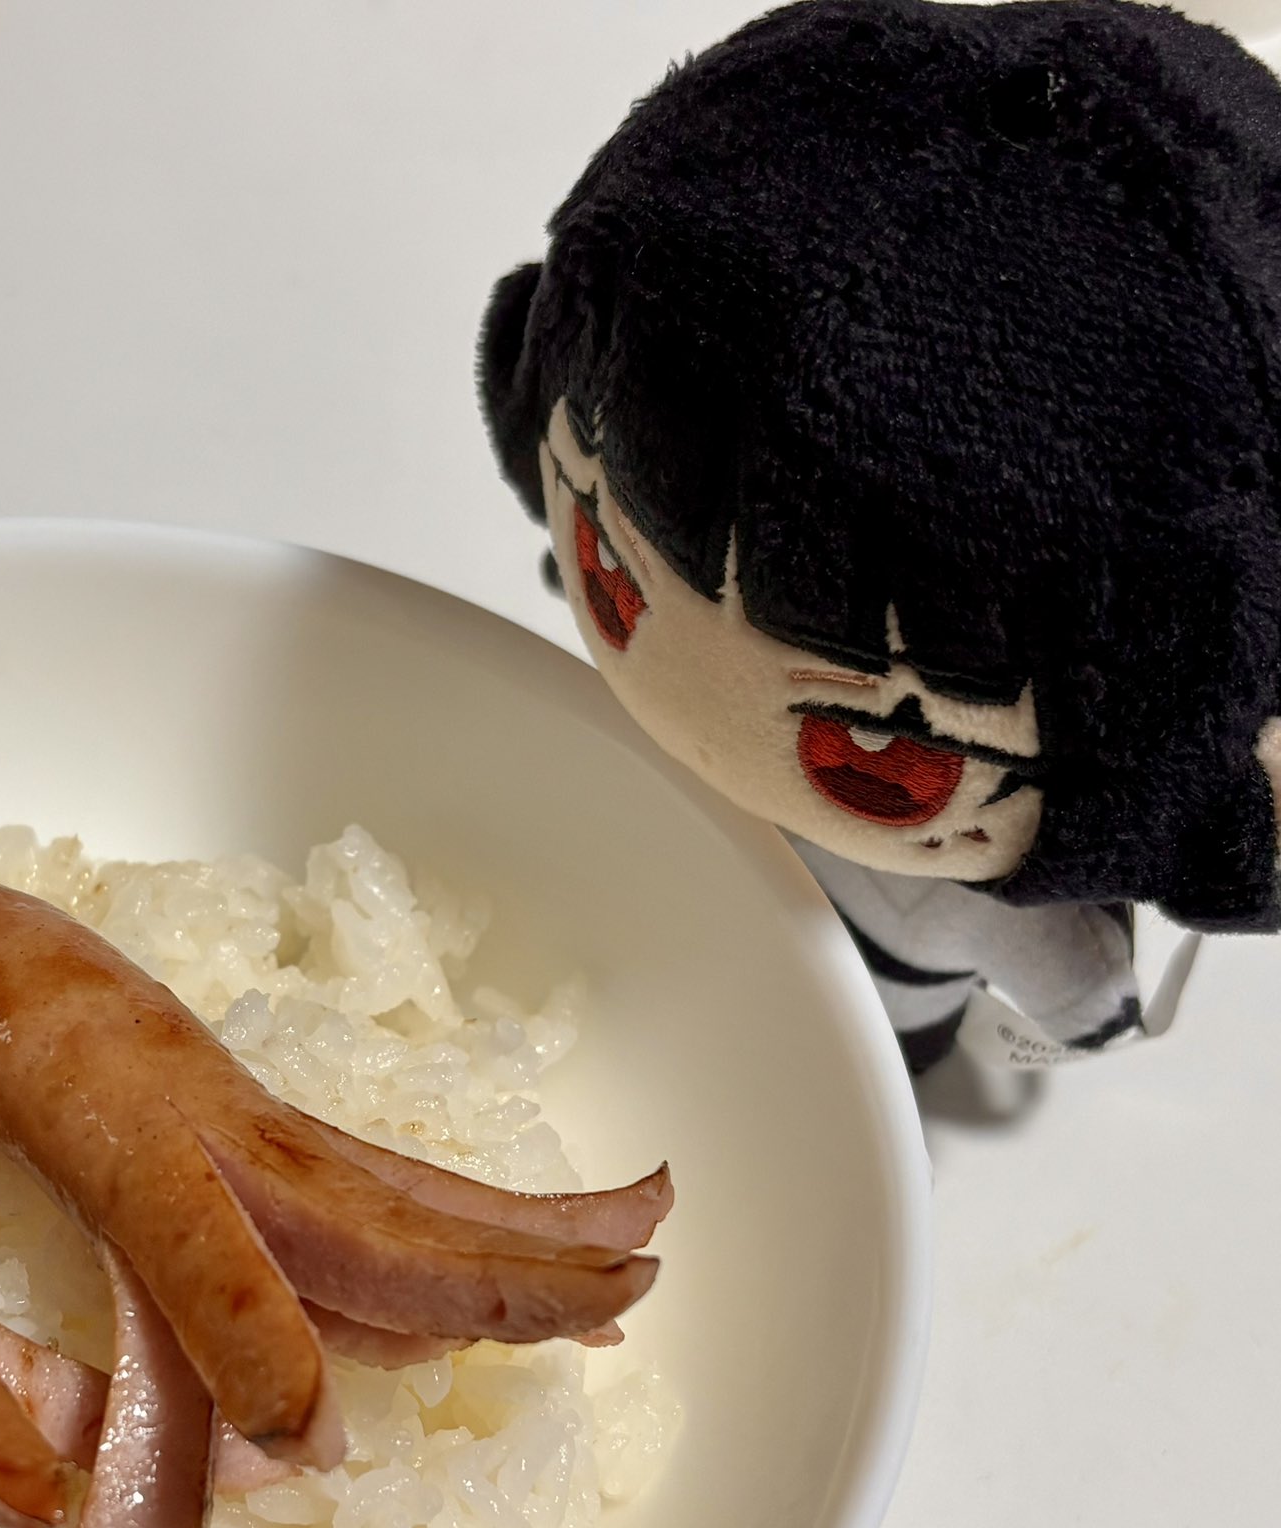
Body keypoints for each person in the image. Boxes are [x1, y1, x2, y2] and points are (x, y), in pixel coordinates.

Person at [477, 0, 1281, 1070]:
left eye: (880, 759)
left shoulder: (987, 890)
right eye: (606, 571)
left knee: (878, 1054)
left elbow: (1085, 1004)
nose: (686, 699)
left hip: (874, 1020)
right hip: (621, 928)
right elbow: (1093, 1009)